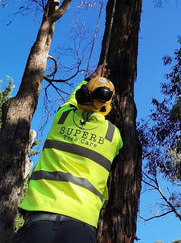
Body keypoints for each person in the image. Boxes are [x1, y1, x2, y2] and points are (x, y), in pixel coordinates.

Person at [13, 63, 123, 243]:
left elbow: (73, 100)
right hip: (82, 223)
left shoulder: (62, 116)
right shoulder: (113, 136)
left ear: (83, 95)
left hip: (39, 217)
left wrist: (91, 77)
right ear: (108, 104)